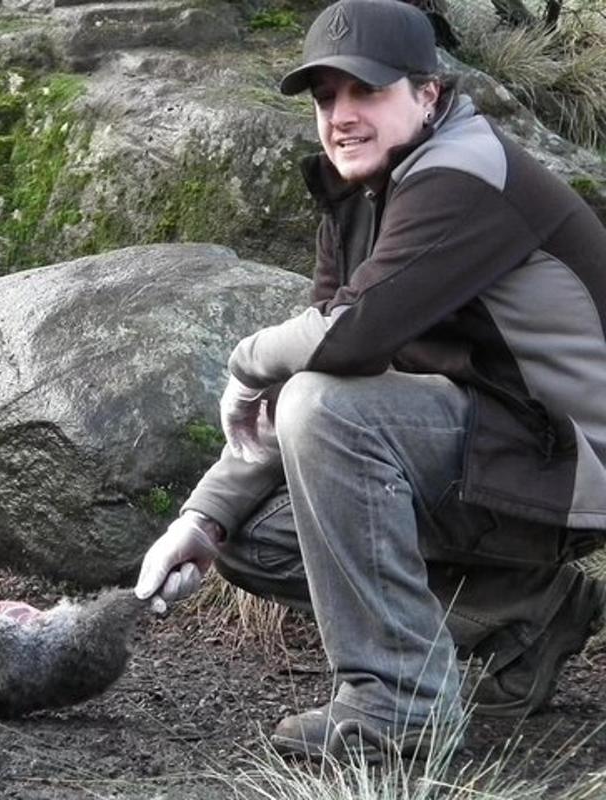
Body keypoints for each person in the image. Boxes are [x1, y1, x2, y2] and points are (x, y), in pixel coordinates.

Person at [135, 0, 606, 763]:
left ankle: (401, 705)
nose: (341, 116)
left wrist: (244, 363)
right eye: (326, 97)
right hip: (500, 447)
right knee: (256, 538)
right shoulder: (365, 193)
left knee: (328, 410)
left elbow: (350, 341)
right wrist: (203, 519)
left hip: (573, 462)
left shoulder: (464, 173)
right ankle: (528, 610)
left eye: (366, 91)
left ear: (429, 92)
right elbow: (323, 348)